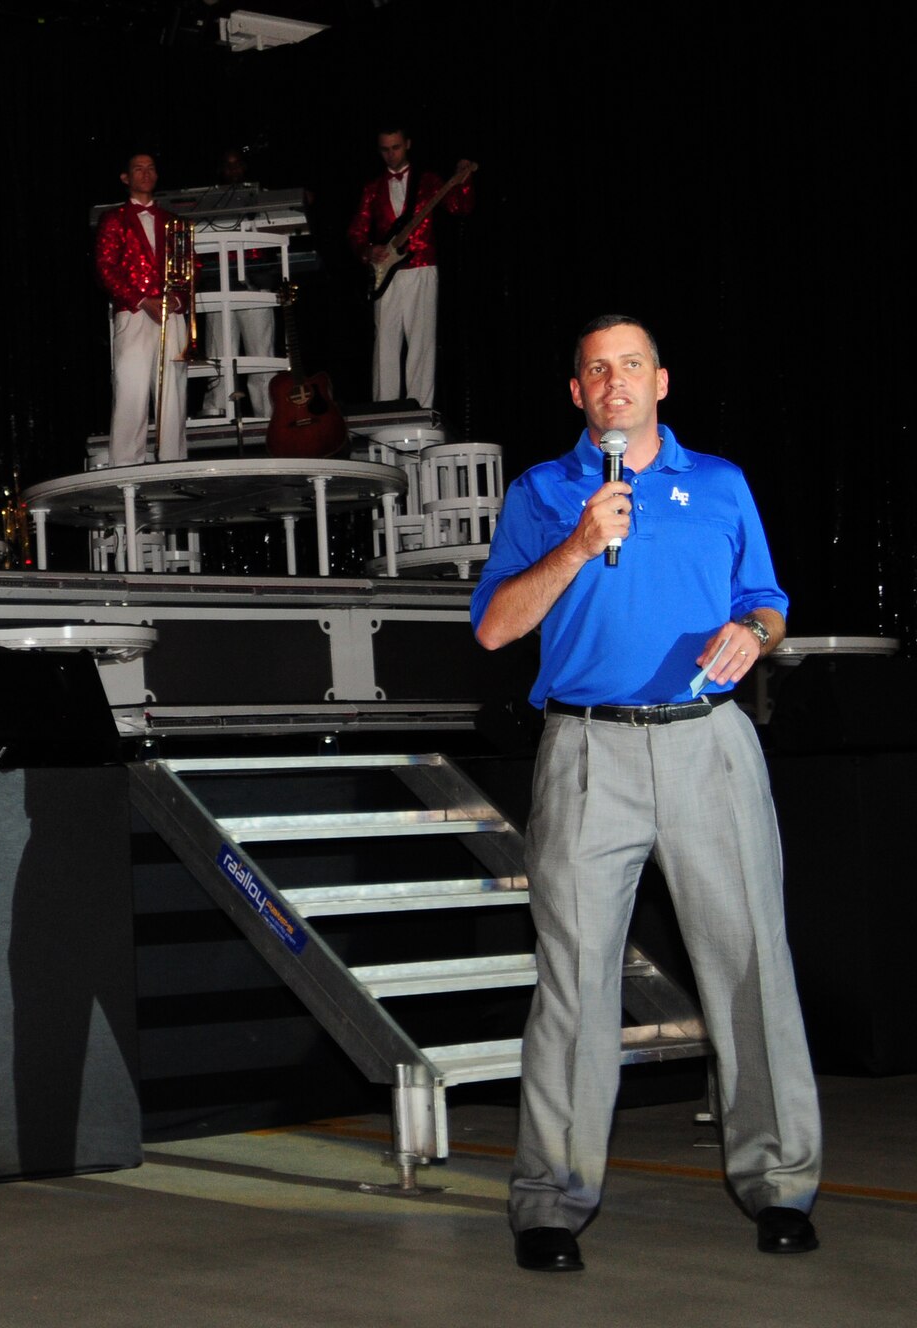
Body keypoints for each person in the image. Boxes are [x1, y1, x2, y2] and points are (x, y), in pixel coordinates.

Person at [471, 315, 821, 1273]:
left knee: (751, 967)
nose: (614, 381)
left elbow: (769, 599)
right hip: (590, 752)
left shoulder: (721, 484)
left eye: (631, 365)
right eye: (595, 369)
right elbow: (497, 629)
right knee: (576, 986)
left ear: (661, 381)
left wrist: (758, 632)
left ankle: (780, 1184)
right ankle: (551, 1202)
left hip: (710, 744)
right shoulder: (545, 493)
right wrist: (581, 544)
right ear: (577, 394)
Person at [344, 127, 473, 409]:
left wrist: (463, 180)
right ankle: (383, 409)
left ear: (408, 145)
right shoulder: (373, 187)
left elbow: (459, 207)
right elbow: (355, 232)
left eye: (396, 147)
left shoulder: (428, 181)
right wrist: (368, 250)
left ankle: (421, 409)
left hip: (423, 267)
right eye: (385, 150)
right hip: (386, 273)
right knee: (385, 344)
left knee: (422, 342)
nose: (391, 155)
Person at [95, 152, 190, 467]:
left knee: (172, 389)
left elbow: (192, 264)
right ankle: (125, 464)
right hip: (135, 312)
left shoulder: (174, 221)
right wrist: (140, 299)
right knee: (130, 386)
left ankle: (173, 460)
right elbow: (106, 268)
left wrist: (178, 299)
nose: (146, 173)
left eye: (151, 168)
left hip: (170, 313)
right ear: (126, 178)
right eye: (138, 168)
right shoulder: (114, 219)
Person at [200, 146, 275, 422]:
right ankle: (218, 414)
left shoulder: (260, 197)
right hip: (218, 287)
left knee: (261, 355)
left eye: (237, 165)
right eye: (227, 166)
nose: (233, 171)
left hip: (255, 286)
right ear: (221, 170)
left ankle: (267, 416)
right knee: (218, 356)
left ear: (245, 168)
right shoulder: (208, 202)